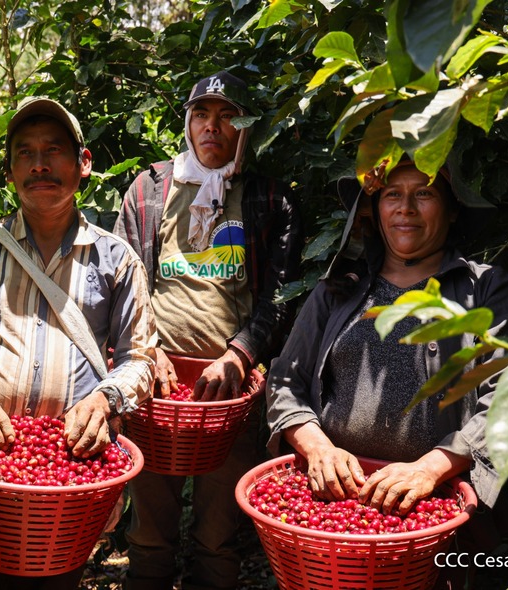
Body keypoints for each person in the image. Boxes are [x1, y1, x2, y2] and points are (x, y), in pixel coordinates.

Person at [265, 157, 508, 586]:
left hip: (436, 519)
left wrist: (430, 468)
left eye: (423, 193)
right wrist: (318, 449)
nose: (405, 208)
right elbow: (285, 380)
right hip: (335, 509)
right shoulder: (339, 289)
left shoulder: (486, 290)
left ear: (452, 209)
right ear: (375, 210)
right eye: (392, 194)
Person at [0, 97, 157, 590]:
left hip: (71, 472)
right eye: (25, 153)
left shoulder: (117, 259)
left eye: (53, 150)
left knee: (57, 576)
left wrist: (105, 400)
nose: (39, 164)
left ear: (83, 163)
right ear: (9, 172)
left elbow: (139, 358)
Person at [113, 71, 303, 590]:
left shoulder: (269, 199)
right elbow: (122, 281)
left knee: (219, 534)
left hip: (231, 395)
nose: (212, 127)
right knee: (148, 527)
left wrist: (240, 354)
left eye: (227, 116)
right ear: (187, 124)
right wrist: (146, 349)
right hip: (156, 389)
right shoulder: (150, 190)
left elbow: (281, 295)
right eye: (201, 114)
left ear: (245, 128)